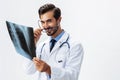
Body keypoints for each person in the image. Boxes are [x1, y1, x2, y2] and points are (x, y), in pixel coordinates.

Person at [23, 3, 84, 80]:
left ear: (59, 20)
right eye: (42, 22)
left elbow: (72, 76)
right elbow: (28, 70)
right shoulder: (42, 46)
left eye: (49, 21)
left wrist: (48, 69)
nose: (45, 26)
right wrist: (32, 44)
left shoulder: (75, 46)